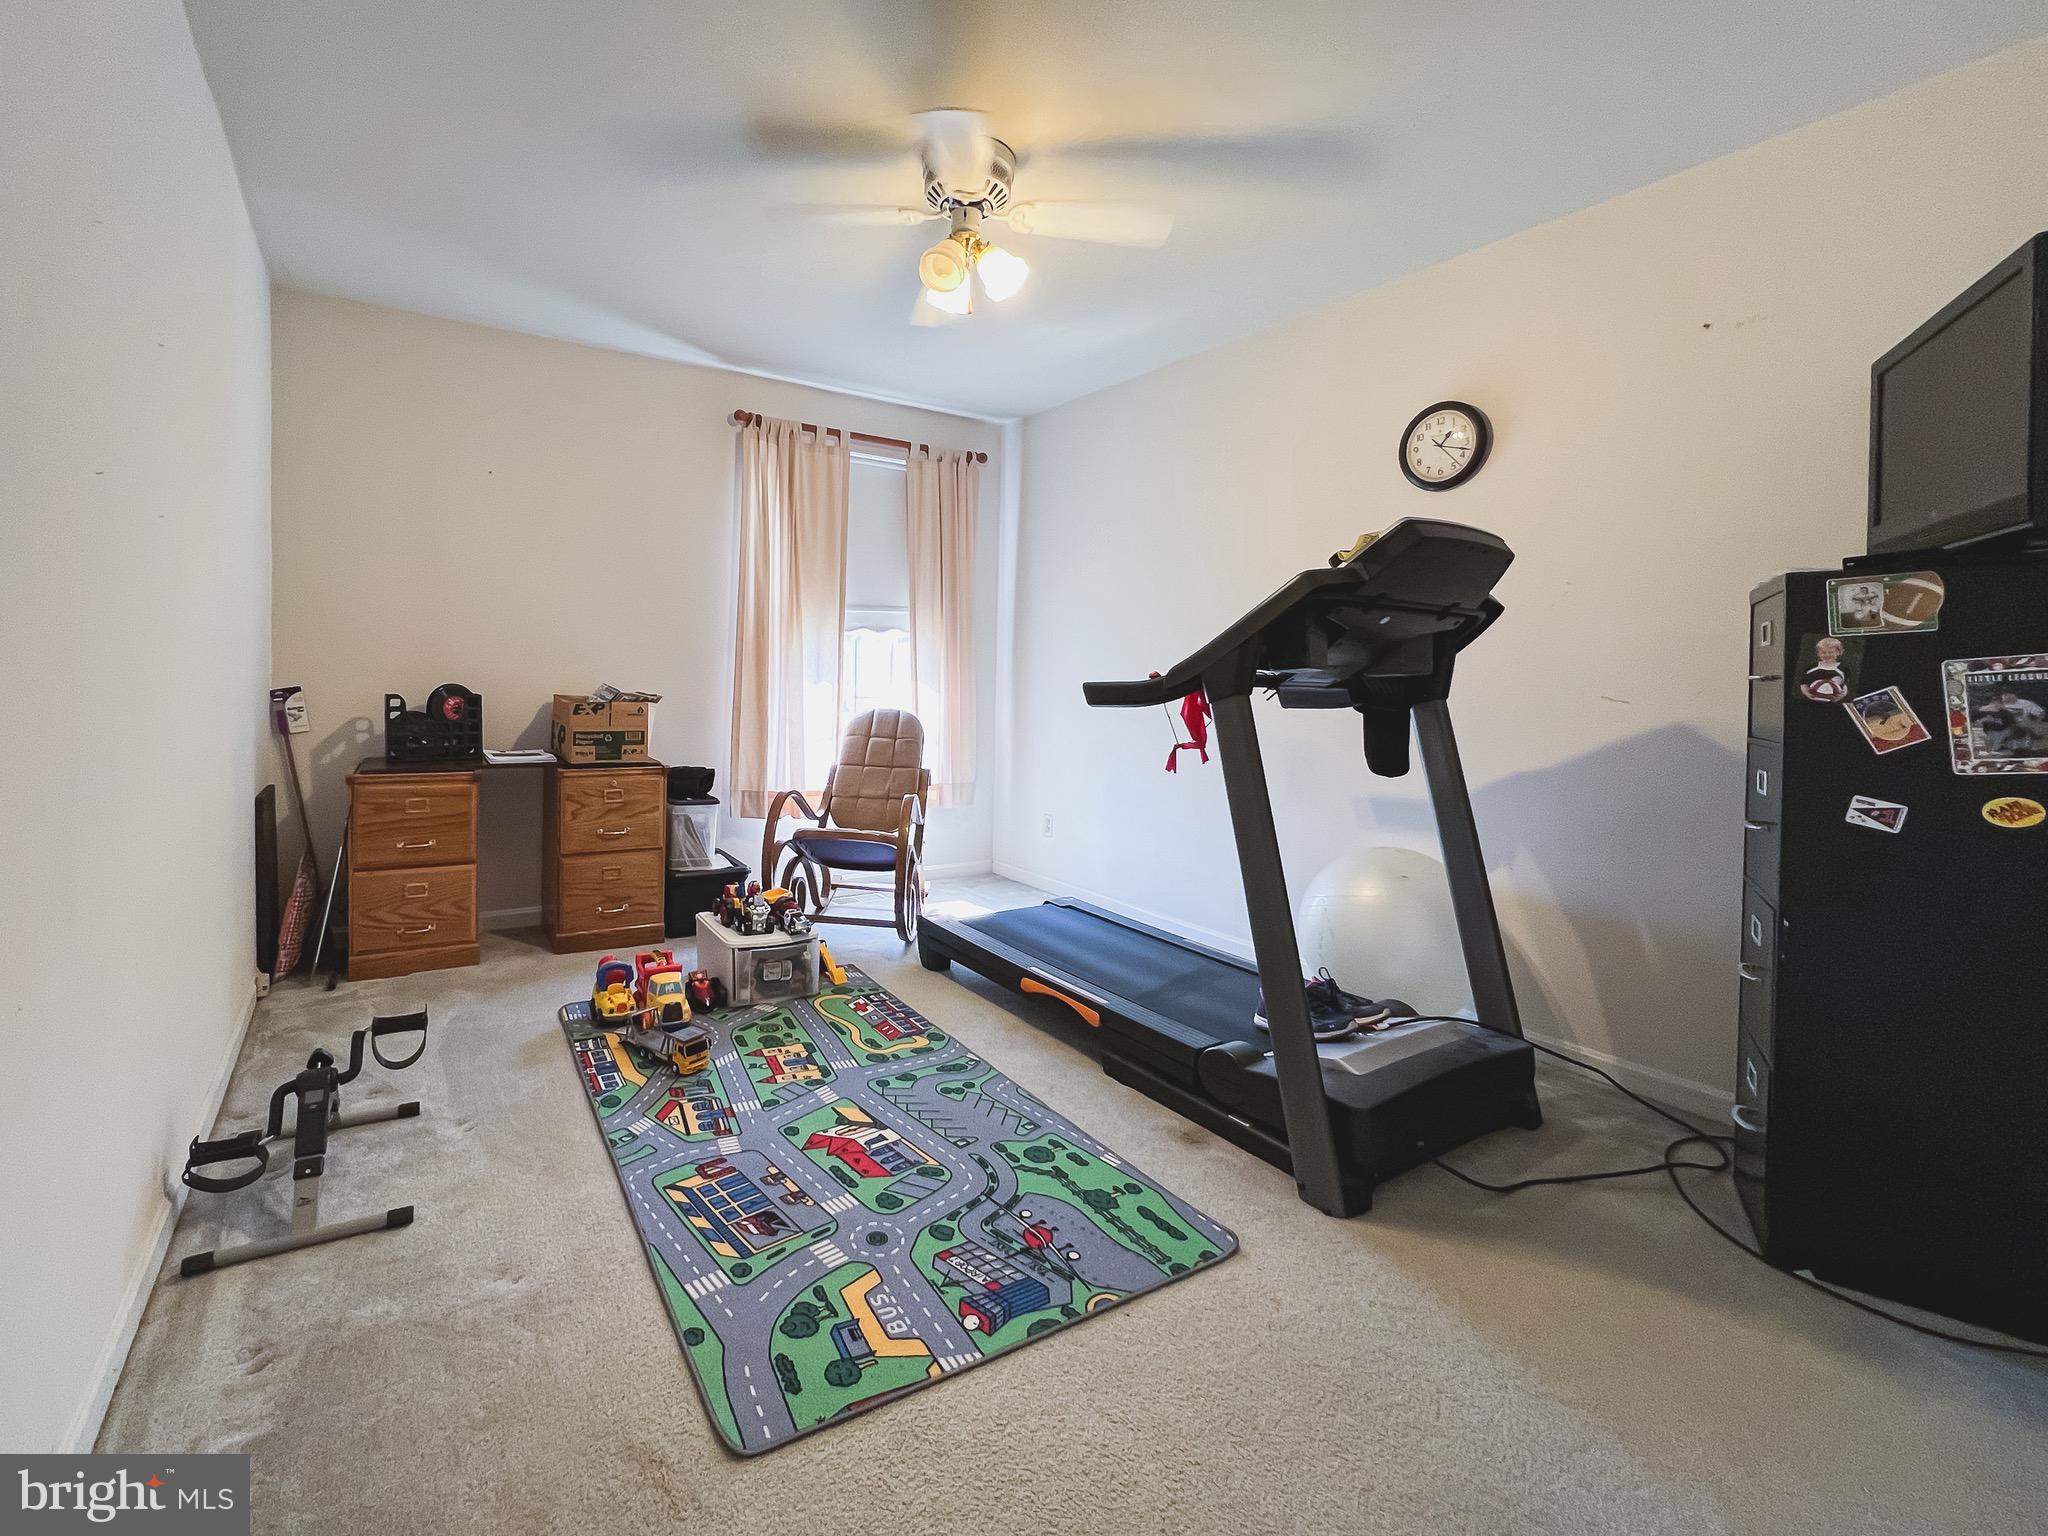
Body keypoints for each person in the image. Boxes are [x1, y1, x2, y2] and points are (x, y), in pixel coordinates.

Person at [1800, 637, 1849, 702]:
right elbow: (1803, 683)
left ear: (1838, 652)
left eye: (1830, 652)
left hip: (1832, 702)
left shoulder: (1843, 669)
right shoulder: (1810, 667)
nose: (1827, 655)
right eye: (1823, 652)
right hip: (1811, 701)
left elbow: (1845, 686)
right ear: (1818, 653)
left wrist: (1840, 696)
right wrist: (1806, 693)